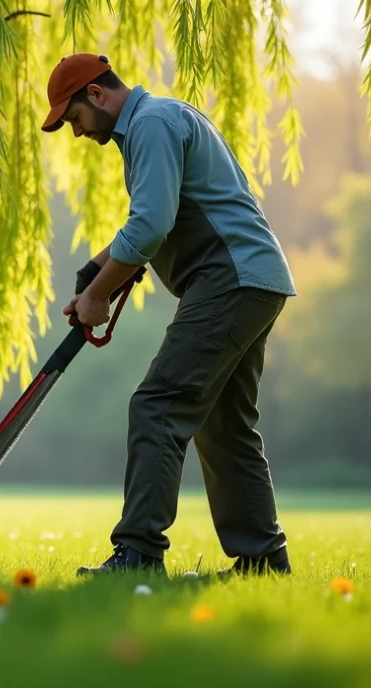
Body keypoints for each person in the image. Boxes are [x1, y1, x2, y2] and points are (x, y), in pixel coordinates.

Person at [42, 52, 296, 577]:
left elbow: (151, 225)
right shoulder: (157, 121)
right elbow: (157, 220)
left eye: (73, 119)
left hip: (230, 278)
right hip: (253, 280)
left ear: (96, 94)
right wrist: (96, 274)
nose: (75, 133)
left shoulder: (152, 123)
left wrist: (97, 296)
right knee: (226, 424)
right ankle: (262, 561)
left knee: (157, 404)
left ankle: (137, 554)